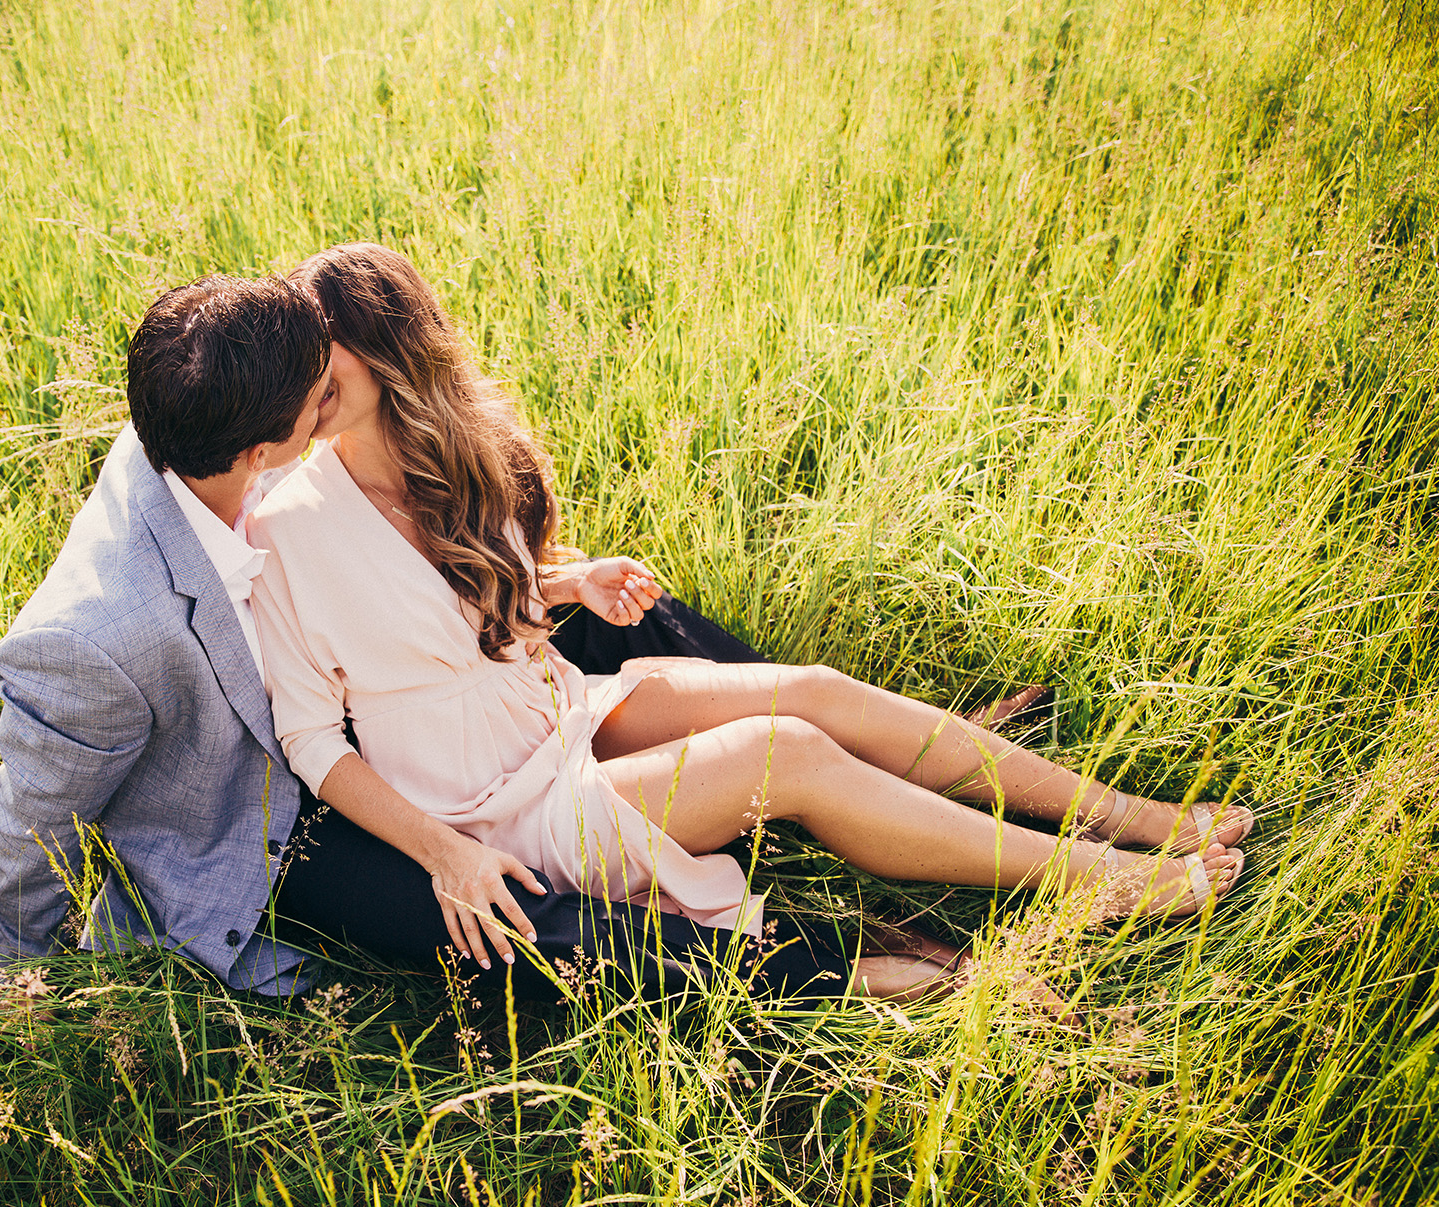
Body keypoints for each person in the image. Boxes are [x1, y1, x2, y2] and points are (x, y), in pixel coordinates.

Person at [247, 243, 1255, 1003]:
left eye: (320, 354)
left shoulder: (459, 454)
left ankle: (1133, 814)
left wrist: (564, 584)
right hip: (494, 806)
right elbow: (308, 737)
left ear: (386, 343)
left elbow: (467, 618)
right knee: (789, 751)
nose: (304, 379)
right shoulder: (285, 526)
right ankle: (1102, 880)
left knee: (812, 690)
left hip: (559, 713)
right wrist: (444, 852)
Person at [0, 271, 941, 1005]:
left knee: (632, 628)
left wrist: (553, 582)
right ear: (267, 449)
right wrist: (10, 956)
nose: (331, 383)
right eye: (318, 387)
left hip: (404, 704)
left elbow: (403, 588)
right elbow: (29, 813)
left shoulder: (206, 401)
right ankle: (827, 970)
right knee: (501, 912)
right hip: (274, 822)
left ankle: (899, 764)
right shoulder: (94, 638)